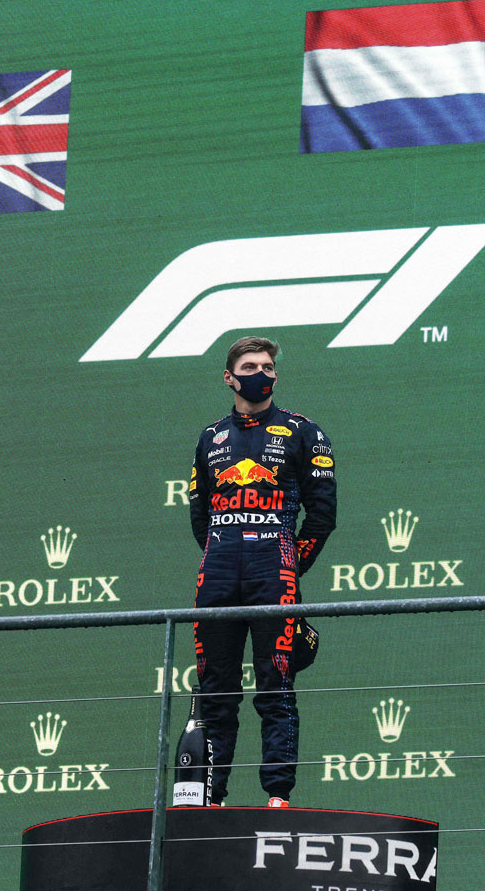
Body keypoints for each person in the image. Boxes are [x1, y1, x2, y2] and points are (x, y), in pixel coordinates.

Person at [188, 337, 336, 807]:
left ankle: (277, 795)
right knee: (216, 690)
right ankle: (211, 797)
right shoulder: (209, 438)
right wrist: (225, 552)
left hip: (274, 573)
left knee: (276, 683)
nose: (262, 373)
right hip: (217, 576)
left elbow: (322, 515)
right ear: (229, 377)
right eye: (250, 366)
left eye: (268, 366)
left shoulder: (302, 431)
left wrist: (290, 560)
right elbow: (200, 516)